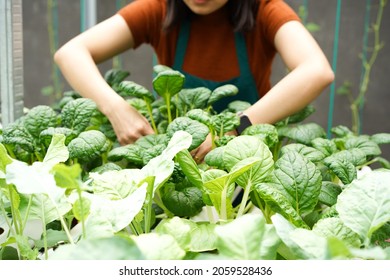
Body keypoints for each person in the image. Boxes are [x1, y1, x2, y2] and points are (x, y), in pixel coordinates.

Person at [54, 0, 334, 162]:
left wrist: (235, 128)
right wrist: (116, 109)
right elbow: (70, 53)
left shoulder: (265, 9)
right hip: (177, 160)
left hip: (249, 162)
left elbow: (317, 70)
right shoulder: (158, 8)